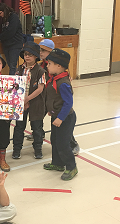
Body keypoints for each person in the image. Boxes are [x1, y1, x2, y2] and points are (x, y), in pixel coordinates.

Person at [25, 39, 80, 156]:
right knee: (38, 116)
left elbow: (64, 86)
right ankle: (38, 133)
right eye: (40, 49)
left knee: (62, 122)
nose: (41, 52)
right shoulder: (41, 65)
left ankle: (72, 143)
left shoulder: (58, 67)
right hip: (45, 97)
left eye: (44, 50)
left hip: (54, 99)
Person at [43, 48, 78, 181]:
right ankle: (58, 163)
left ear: (59, 66)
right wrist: (50, 109)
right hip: (56, 116)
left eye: (49, 63)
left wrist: (60, 118)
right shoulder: (54, 79)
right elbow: (53, 97)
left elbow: (68, 103)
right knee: (55, 141)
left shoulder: (63, 83)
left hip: (65, 118)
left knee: (63, 144)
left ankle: (71, 166)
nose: (47, 65)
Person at [12, 41, 46, 160]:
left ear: (36, 56)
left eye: (30, 54)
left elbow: (40, 89)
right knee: (19, 127)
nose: (27, 56)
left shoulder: (40, 71)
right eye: (25, 54)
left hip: (35, 103)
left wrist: (27, 99)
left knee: (37, 128)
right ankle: (16, 149)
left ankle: (38, 149)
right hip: (20, 104)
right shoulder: (19, 69)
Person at [0, 2, 23, 75]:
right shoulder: (5, 19)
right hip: (7, 44)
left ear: (5, 11)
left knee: (13, 66)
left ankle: (12, 83)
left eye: (0, 13)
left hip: (15, 44)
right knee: (10, 65)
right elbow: (4, 32)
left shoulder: (14, 17)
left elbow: (10, 32)